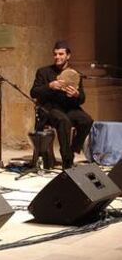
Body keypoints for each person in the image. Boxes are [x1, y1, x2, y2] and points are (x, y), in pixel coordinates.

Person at [30, 40, 93, 169]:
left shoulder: (75, 74)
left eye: (61, 54)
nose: (57, 57)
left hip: (68, 108)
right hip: (49, 109)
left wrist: (76, 94)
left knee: (87, 120)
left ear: (68, 56)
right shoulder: (43, 72)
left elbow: (82, 99)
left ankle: (73, 150)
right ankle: (67, 161)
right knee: (64, 121)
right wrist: (49, 86)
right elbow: (33, 92)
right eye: (55, 54)